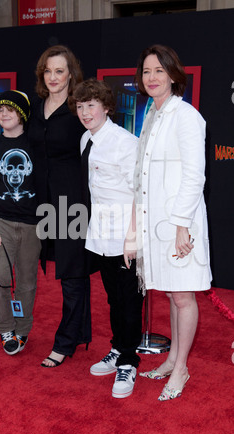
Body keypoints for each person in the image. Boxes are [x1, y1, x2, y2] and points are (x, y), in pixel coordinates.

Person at [123, 44, 212, 401]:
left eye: (159, 71)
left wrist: (180, 226)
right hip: (155, 221)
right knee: (173, 295)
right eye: (146, 72)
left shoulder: (186, 116)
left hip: (180, 224)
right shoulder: (152, 114)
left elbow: (195, 176)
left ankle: (182, 368)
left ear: (174, 76)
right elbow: (141, 177)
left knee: (183, 295)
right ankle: (173, 358)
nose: (152, 78)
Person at [69, 78, 144, 398]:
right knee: (114, 299)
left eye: (91, 105)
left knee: (129, 302)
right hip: (99, 235)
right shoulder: (86, 138)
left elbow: (141, 193)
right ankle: (118, 348)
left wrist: (133, 238)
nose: (85, 112)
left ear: (106, 107)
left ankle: (129, 360)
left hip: (126, 237)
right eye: (80, 106)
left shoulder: (125, 143)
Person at [28, 45, 92, 368]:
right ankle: (78, 332)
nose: (53, 77)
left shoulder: (78, 109)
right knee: (70, 272)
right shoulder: (36, 108)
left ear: (70, 74)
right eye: (48, 71)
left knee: (72, 273)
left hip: (72, 203)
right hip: (44, 202)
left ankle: (64, 342)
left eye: (59, 71)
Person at [0, 90, 41, 355]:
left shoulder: (36, 145)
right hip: (1, 222)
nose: (3, 114)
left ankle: (22, 328)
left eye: (10, 109)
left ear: (22, 114)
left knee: (27, 280)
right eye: (0, 110)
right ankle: (4, 326)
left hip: (33, 225)